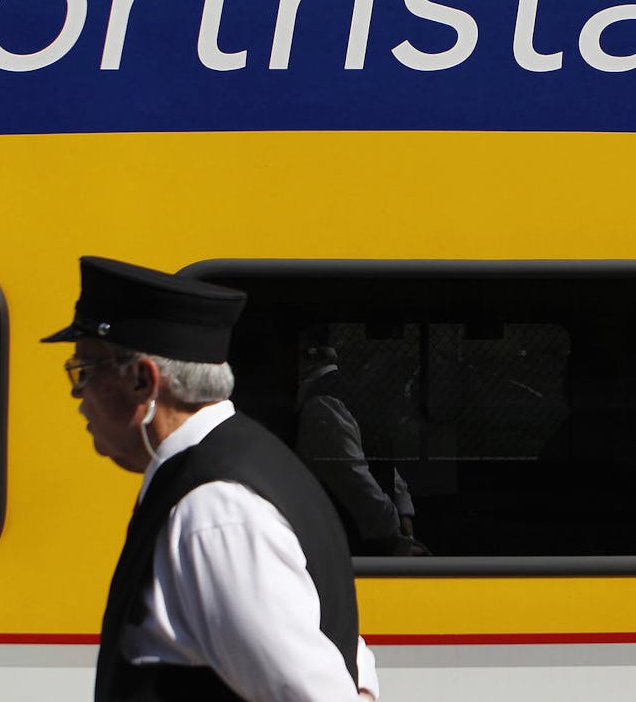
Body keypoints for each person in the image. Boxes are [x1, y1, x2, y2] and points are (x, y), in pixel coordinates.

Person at [42, 256, 379, 702]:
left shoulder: (214, 508)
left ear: (143, 381)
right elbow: (342, 658)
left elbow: (314, 693)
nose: (77, 395)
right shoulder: (255, 461)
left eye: (84, 371)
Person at [295, 345, 427, 557]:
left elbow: (352, 474)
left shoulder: (323, 402)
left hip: (349, 538)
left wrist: (393, 534)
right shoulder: (353, 395)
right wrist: (401, 516)